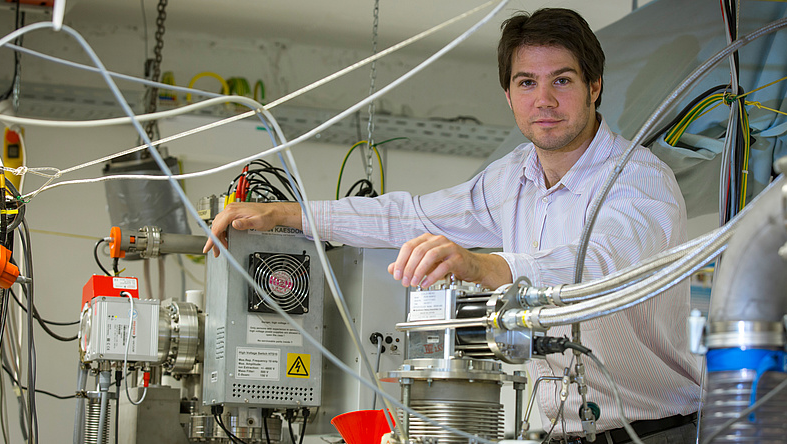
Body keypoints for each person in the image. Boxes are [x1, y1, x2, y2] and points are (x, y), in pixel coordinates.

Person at [205, 8, 701, 443]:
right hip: (559, 432)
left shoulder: (637, 180)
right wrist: (289, 215)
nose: (544, 99)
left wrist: (485, 266)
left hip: (660, 432)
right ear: (508, 95)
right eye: (527, 82)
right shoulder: (513, 178)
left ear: (594, 87)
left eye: (563, 80)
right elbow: (410, 214)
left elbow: (595, 268)